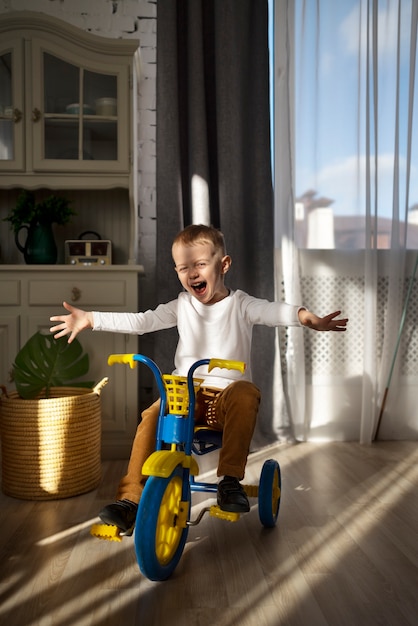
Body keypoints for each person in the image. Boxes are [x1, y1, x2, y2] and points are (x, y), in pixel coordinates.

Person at [50, 224, 348, 534]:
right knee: (151, 416)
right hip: (185, 394)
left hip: (226, 396)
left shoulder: (241, 305)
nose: (192, 273)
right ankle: (131, 500)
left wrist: (307, 318)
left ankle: (230, 481)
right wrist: (91, 319)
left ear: (224, 265)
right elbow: (142, 321)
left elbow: (274, 311)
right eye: (183, 267)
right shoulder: (182, 305)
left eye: (200, 264)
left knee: (246, 393)